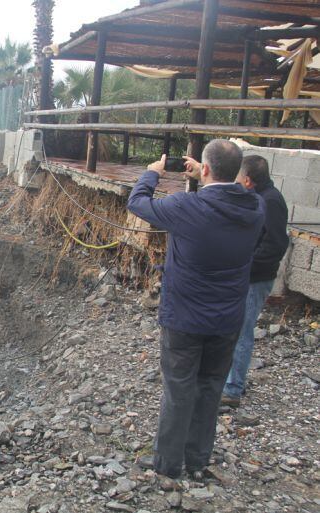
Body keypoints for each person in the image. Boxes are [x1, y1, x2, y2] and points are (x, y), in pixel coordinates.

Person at [126, 139, 265, 479]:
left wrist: (151, 174)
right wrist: (204, 175)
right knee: (210, 389)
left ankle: (168, 464)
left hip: (185, 319)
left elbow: (138, 202)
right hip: (227, 319)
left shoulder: (186, 207)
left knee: (179, 389)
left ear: (205, 169)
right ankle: (198, 460)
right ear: (237, 172)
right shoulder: (257, 208)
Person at [183, 155, 289, 408]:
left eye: (238, 177)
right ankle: (225, 380)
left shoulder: (269, 202)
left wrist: (240, 262)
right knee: (231, 328)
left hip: (255, 278)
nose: (235, 182)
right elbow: (226, 190)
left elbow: (275, 246)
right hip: (245, 276)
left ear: (249, 181)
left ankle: (233, 389)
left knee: (241, 332)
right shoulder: (258, 196)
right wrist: (203, 172)